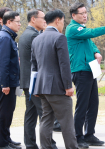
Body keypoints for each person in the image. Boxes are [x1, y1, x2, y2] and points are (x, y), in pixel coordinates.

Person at [66, 2, 105, 148]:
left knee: (93, 104)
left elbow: (90, 41)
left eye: (86, 12)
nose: (85, 15)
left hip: (90, 70)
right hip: (80, 71)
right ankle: (78, 136)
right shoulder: (73, 29)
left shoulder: (82, 30)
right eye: (82, 13)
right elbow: (92, 33)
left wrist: (96, 51)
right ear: (74, 15)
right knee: (82, 105)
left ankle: (89, 134)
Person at [31, 9, 78, 149]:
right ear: (58, 20)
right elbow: (64, 64)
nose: (63, 24)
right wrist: (68, 86)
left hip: (42, 86)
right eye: (63, 21)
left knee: (46, 120)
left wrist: (34, 87)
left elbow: (34, 65)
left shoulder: (37, 38)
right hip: (58, 87)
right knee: (67, 122)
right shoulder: (60, 37)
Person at [18, 9, 57, 149]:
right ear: (33, 19)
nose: (45, 21)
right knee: (45, 114)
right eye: (42, 18)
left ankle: (30, 144)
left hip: (27, 81)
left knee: (30, 114)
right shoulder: (34, 36)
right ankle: (49, 144)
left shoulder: (24, 34)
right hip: (35, 81)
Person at [0, 11, 21, 149]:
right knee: (4, 113)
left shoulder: (9, 37)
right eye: (17, 22)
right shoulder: (5, 38)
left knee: (8, 112)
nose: (20, 24)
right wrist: (4, 84)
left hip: (11, 82)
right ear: (8, 22)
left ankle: (6, 139)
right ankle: (2, 143)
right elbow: (3, 63)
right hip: (7, 84)